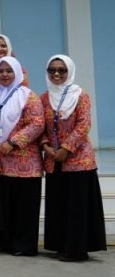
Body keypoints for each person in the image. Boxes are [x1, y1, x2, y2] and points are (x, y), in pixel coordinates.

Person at [40, 55, 106, 262]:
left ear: (69, 71)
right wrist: (46, 146)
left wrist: (66, 149)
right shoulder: (44, 98)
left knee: (77, 206)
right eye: (52, 70)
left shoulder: (80, 95)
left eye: (62, 70)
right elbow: (40, 126)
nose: (56, 74)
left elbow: (84, 124)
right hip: (54, 159)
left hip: (78, 160)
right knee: (59, 205)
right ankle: (61, 246)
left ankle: (77, 250)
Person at [0, 56, 44, 257]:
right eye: (0, 71)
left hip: (25, 161)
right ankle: (1, 242)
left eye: (9, 71)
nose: (4, 74)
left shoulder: (29, 96)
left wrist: (12, 142)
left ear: (18, 73)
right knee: (3, 204)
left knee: (25, 207)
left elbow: (37, 124)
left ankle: (24, 245)